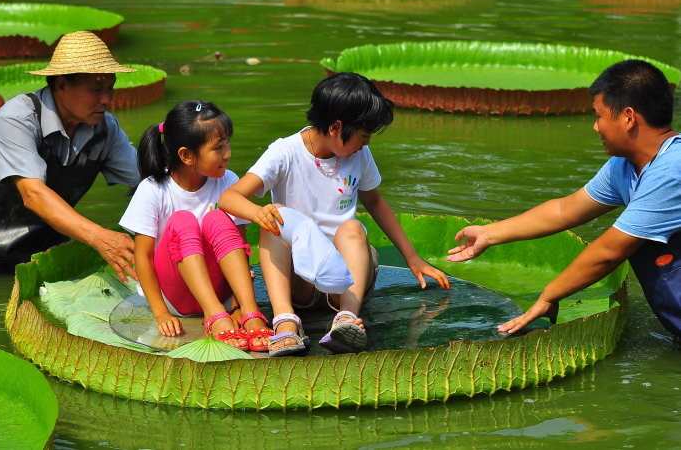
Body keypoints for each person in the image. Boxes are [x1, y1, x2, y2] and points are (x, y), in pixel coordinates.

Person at [220, 72, 450, 356]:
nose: (365, 145)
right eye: (363, 137)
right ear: (336, 127)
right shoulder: (285, 152)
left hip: (346, 283)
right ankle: (286, 323)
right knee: (275, 216)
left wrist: (412, 258)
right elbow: (228, 198)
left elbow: (375, 202)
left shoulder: (359, 155)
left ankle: (347, 320)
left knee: (352, 228)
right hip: (299, 280)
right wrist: (259, 212)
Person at [448, 59, 681, 338]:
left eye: (599, 116)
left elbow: (609, 252)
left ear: (628, 117)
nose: (595, 127)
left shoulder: (672, 170)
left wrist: (550, 295)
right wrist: (490, 233)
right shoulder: (626, 166)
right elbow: (565, 210)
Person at [119, 101, 272, 352]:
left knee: (216, 219)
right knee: (183, 221)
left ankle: (250, 313)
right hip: (177, 295)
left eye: (227, 144)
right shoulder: (153, 190)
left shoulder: (229, 182)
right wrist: (160, 314)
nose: (228, 154)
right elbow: (143, 258)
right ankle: (214, 316)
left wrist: (236, 305)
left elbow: (240, 247)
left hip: (222, 291)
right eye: (218, 148)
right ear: (186, 156)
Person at [0, 31, 140, 280]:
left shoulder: (105, 129)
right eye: (96, 89)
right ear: (61, 84)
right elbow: (33, 194)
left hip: (41, 246)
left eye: (110, 88)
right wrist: (101, 238)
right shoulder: (16, 120)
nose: (106, 99)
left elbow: (147, 179)